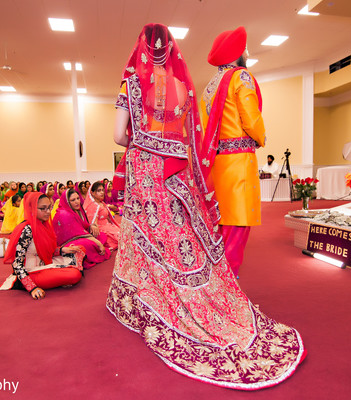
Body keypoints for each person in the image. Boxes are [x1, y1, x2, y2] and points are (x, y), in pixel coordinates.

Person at [107, 23, 304, 390]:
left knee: (143, 231)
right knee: (176, 232)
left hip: (145, 167)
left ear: (142, 50)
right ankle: (213, 294)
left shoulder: (131, 84)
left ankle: (138, 296)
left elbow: (119, 135)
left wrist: (139, 138)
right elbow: (188, 134)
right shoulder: (184, 86)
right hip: (176, 170)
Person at [199, 26, 266, 277]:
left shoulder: (211, 85)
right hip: (239, 164)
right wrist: (261, 137)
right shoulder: (241, 77)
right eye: (245, 48)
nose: (247, 52)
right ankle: (228, 290)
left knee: (222, 228)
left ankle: (217, 283)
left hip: (219, 165)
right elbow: (250, 117)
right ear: (239, 53)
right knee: (238, 228)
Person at [0, 192, 85, 300]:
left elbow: (46, 250)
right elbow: (17, 264)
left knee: (79, 249)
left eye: (49, 207)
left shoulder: (44, 225)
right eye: (43, 208)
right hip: (32, 272)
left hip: (46, 262)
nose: (48, 212)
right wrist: (32, 288)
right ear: (32, 209)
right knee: (74, 275)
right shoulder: (27, 230)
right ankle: (63, 273)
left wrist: (62, 250)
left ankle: (61, 273)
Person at [53, 189, 111, 269]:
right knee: (87, 245)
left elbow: (83, 227)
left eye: (78, 198)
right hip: (67, 243)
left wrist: (91, 226)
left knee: (100, 235)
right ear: (67, 202)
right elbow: (78, 233)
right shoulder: (64, 214)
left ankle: (97, 248)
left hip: (80, 236)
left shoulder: (78, 210)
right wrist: (98, 243)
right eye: (73, 200)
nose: (77, 202)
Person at [83, 181, 120, 250]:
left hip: (107, 225)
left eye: (102, 190)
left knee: (122, 232)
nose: (102, 192)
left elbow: (109, 218)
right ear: (92, 193)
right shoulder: (93, 206)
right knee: (118, 237)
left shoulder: (101, 203)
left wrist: (114, 225)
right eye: (99, 191)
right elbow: (93, 223)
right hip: (100, 228)